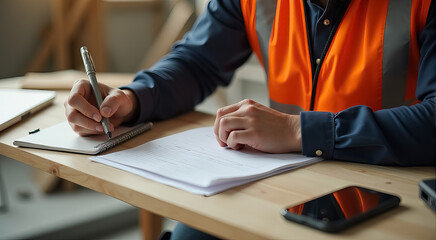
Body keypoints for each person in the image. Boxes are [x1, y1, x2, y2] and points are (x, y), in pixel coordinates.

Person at [65, 0, 435, 239]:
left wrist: (296, 130)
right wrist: (132, 100)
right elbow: (197, 61)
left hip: (386, 190)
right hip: (285, 180)